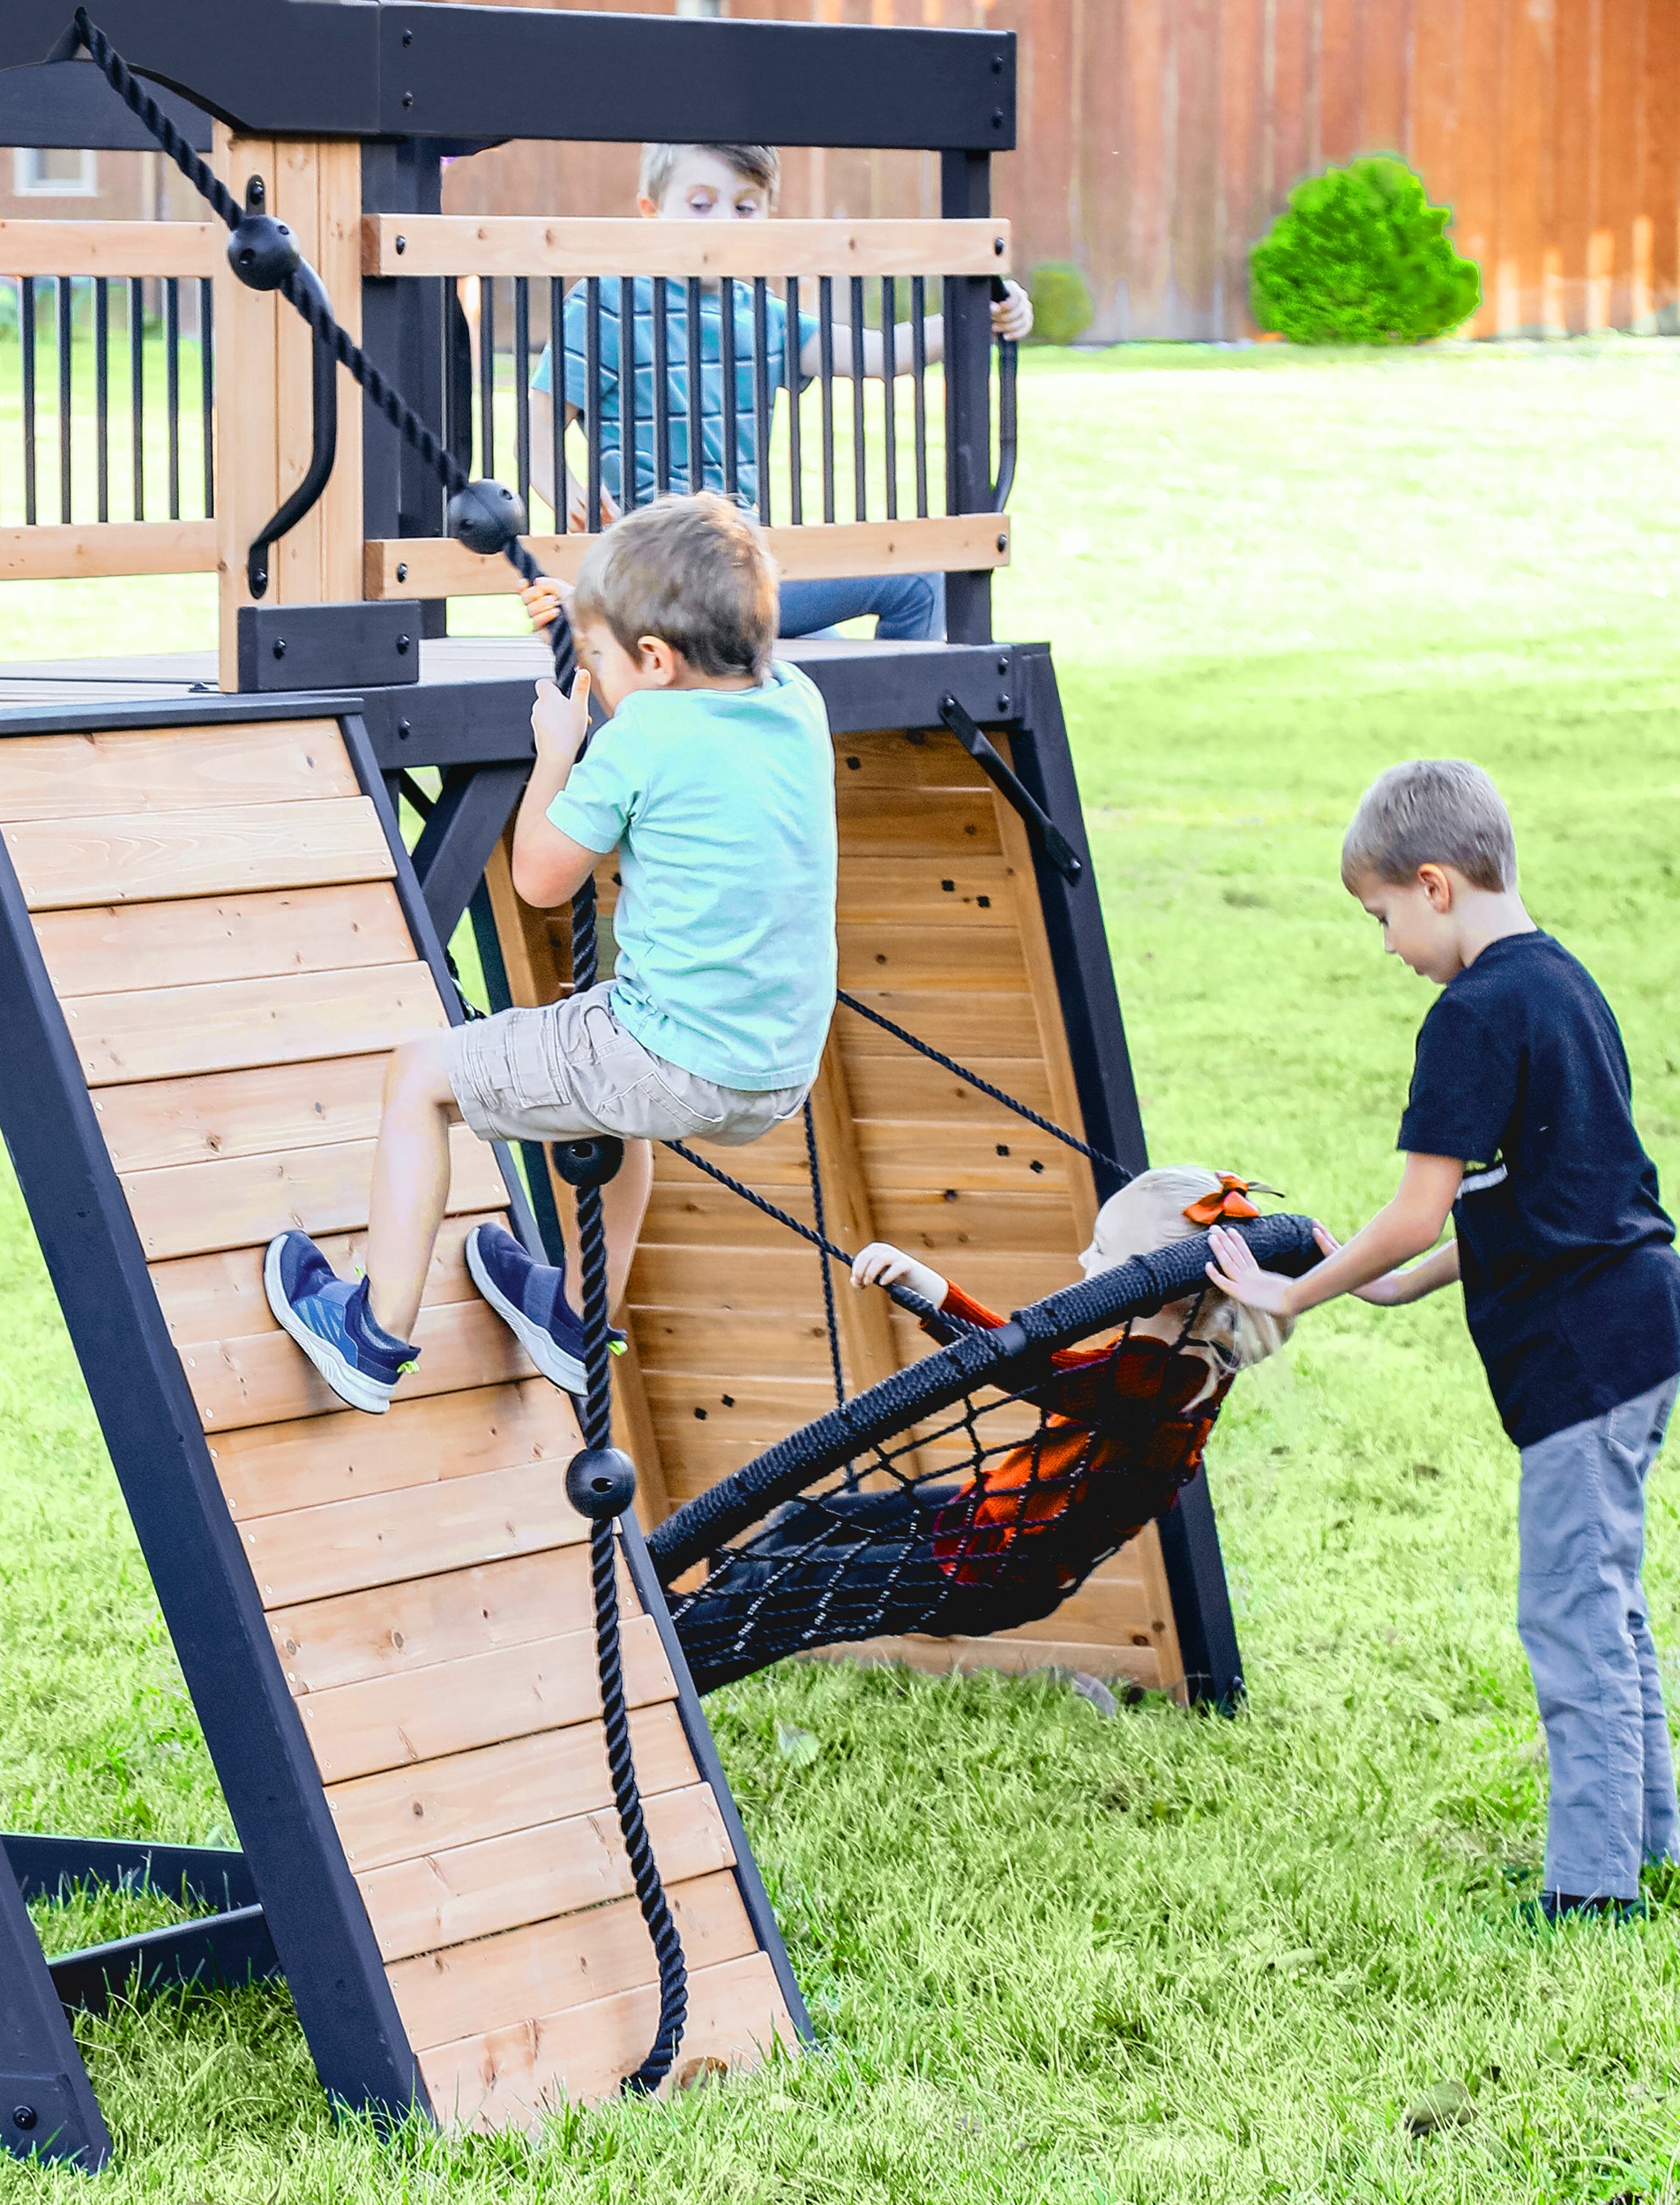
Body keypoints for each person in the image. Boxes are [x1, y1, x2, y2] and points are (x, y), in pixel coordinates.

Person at [1206, 759, 1680, 1923]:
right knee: (1607, 1602)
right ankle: (1650, 1844)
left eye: (1380, 918)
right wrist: (1397, 1289)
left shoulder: (1469, 1016)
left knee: (1570, 1615)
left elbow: (1422, 1202)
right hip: (1640, 1324)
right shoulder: (1563, 983)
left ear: (1433, 885)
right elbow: (1543, 1192)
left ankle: (1593, 1891)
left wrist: (1289, 1296)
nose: (1385, 947)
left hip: (1582, 1358)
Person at [264, 493, 836, 1414]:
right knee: (614, 1100)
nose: (592, 669)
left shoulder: (644, 732)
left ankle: (371, 1333)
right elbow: (669, 668)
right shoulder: (793, 699)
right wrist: (592, 621)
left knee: (418, 1075)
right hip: (772, 1066)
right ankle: (576, 1314)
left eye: (600, 655)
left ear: (654, 658)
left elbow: (539, 877)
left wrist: (557, 751)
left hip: (668, 1053)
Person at [666, 1167, 1292, 1692]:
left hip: (989, 1571)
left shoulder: (1160, 1379)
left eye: (1102, 1251)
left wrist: (936, 1294)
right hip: (986, 1523)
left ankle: (670, 1660)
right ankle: (695, 1623)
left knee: (796, 1585)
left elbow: (1039, 1370)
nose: (1083, 1257)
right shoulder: (1193, 1351)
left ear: (1160, 1289)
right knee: (811, 1525)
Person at [522, 141, 1034, 644]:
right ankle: (915, 724)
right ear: (650, 211)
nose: (723, 222)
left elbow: (874, 354)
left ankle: (897, 726)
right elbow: (540, 420)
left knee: (824, 658)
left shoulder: (760, 315)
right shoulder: (610, 302)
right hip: (658, 570)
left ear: (768, 218)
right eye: (701, 205)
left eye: (745, 207)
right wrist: (569, 492)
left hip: (739, 569)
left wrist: (974, 316)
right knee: (918, 581)